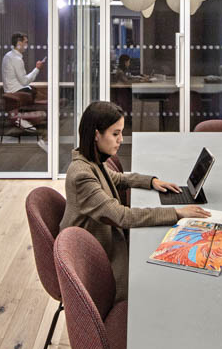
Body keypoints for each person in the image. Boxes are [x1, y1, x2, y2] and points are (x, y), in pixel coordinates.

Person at [62, 100, 207, 301]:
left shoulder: (91, 161)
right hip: (99, 261)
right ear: (96, 135)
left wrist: (152, 181)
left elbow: (119, 179)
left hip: (108, 241)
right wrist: (177, 213)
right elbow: (122, 217)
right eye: (115, 134)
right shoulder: (82, 176)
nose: (121, 139)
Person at [2, 31, 45, 130]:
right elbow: (25, 82)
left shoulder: (8, 56)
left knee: (37, 92)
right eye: (25, 42)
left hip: (11, 92)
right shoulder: (16, 59)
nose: (27, 45)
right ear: (19, 44)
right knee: (40, 95)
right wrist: (37, 68)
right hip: (17, 94)